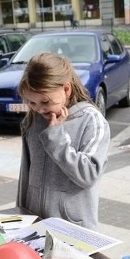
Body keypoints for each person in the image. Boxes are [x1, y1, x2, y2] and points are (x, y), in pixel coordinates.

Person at [15, 52, 110, 230]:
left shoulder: (91, 121)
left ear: (66, 89)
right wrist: (21, 212)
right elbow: (26, 173)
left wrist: (56, 137)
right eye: (32, 103)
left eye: (45, 101)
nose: (39, 109)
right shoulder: (33, 120)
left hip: (72, 228)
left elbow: (88, 175)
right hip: (35, 223)